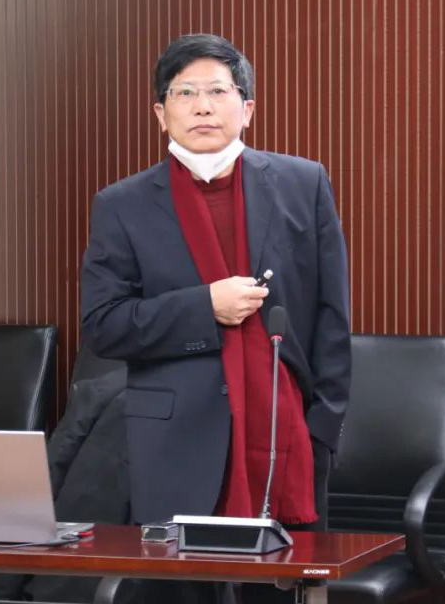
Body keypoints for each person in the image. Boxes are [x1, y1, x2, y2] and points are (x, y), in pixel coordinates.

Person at [80, 33, 351, 541]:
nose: (202, 107)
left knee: (286, 575)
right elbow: (103, 326)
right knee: (188, 578)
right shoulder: (121, 204)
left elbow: (332, 315)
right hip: (175, 443)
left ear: (247, 109)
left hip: (287, 435)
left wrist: (324, 430)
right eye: (184, 93)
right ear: (161, 114)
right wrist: (205, 307)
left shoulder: (303, 184)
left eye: (218, 92)